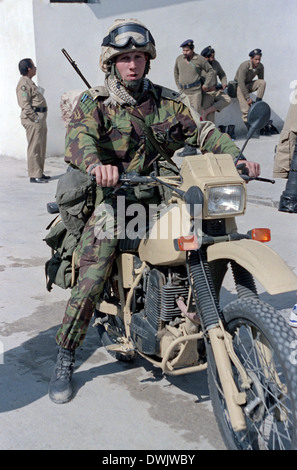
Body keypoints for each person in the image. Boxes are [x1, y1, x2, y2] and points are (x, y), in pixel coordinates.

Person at [48, 19, 260, 404]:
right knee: (94, 273)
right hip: (117, 199)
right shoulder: (95, 104)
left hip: (163, 193)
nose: (133, 65)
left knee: (208, 235)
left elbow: (203, 132)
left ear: (148, 60)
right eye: (125, 58)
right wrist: (99, 166)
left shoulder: (167, 101)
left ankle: (191, 313)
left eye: (139, 57)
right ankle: (65, 354)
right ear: (111, 63)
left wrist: (236, 157)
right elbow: (78, 142)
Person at [16, 58, 50, 183]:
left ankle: (39, 172)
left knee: (41, 146)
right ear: (29, 69)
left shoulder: (30, 82)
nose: (36, 68)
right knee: (34, 147)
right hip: (33, 119)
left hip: (39, 118)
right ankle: (34, 175)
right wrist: (35, 118)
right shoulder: (23, 84)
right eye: (34, 66)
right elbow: (24, 104)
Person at [174, 39, 216, 115]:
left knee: (195, 115)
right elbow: (176, 72)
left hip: (195, 93)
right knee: (183, 115)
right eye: (183, 50)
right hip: (183, 93)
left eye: (187, 50)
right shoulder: (179, 59)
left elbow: (210, 71)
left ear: (192, 49)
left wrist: (206, 84)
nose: (185, 53)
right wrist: (178, 86)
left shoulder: (199, 59)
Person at [234, 49, 266, 127]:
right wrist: (248, 98)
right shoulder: (244, 66)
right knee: (246, 110)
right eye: (256, 59)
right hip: (240, 87)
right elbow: (241, 82)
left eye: (259, 59)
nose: (258, 61)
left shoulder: (260, 66)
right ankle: (249, 126)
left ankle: (258, 103)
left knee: (262, 82)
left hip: (249, 85)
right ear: (251, 59)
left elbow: (260, 80)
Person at [200, 46, 231, 123]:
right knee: (209, 117)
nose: (213, 59)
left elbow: (222, 74)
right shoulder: (199, 66)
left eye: (214, 56)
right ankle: (209, 132)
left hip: (216, 90)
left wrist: (224, 83)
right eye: (211, 57)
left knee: (227, 99)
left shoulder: (215, 63)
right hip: (206, 94)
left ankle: (207, 110)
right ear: (205, 57)